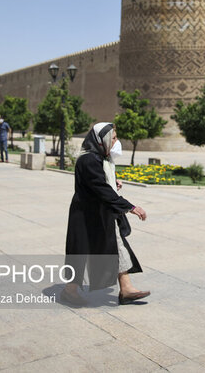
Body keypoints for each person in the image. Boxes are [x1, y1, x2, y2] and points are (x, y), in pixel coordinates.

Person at [61, 122, 150, 306]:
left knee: (117, 245)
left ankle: (126, 288)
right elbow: (101, 189)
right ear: (101, 140)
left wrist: (113, 180)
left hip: (103, 213)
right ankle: (69, 291)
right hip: (86, 216)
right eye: (114, 138)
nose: (116, 142)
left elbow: (103, 184)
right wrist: (131, 207)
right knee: (81, 253)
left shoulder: (102, 158)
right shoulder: (88, 160)